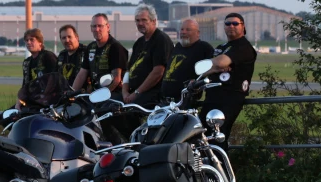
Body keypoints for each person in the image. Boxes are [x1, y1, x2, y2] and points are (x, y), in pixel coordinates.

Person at [198, 13, 258, 152]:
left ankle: (222, 171)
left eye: (235, 23)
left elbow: (219, 63)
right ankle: (206, 171)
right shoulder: (222, 47)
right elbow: (204, 67)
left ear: (243, 26)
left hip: (229, 99)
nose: (231, 26)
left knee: (217, 137)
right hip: (212, 98)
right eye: (227, 23)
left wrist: (215, 66)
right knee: (202, 136)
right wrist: (214, 67)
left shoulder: (243, 47)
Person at [70, 13, 130, 144]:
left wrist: (100, 96)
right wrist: (71, 93)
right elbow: (82, 73)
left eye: (100, 26)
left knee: (103, 117)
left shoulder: (115, 47)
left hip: (113, 94)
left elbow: (116, 79)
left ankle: (117, 144)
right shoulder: (90, 48)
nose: (97, 29)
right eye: (94, 26)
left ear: (108, 27)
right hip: (96, 94)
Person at [122, 4, 173, 134]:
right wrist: (125, 92)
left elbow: (158, 72)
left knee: (130, 111)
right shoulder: (139, 43)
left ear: (154, 21)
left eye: (144, 20)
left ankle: (139, 142)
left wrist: (136, 93)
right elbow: (128, 70)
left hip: (153, 93)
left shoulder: (161, 40)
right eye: (138, 20)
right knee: (110, 108)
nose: (140, 23)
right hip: (133, 92)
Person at [160, 19, 214, 102]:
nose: (183, 32)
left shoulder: (203, 48)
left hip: (186, 101)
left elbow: (214, 67)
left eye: (188, 30)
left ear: (198, 33)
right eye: (182, 29)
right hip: (166, 101)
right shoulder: (177, 47)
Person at [15, 28, 58, 110]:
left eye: (32, 40)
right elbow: (25, 85)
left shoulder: (48, 56)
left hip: (47, 102)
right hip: (32, 100)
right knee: (7, 116)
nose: (28, 42)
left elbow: (57, 78)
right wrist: (19, 101)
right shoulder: (27, 62)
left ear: (40, 42)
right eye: (26, 40)